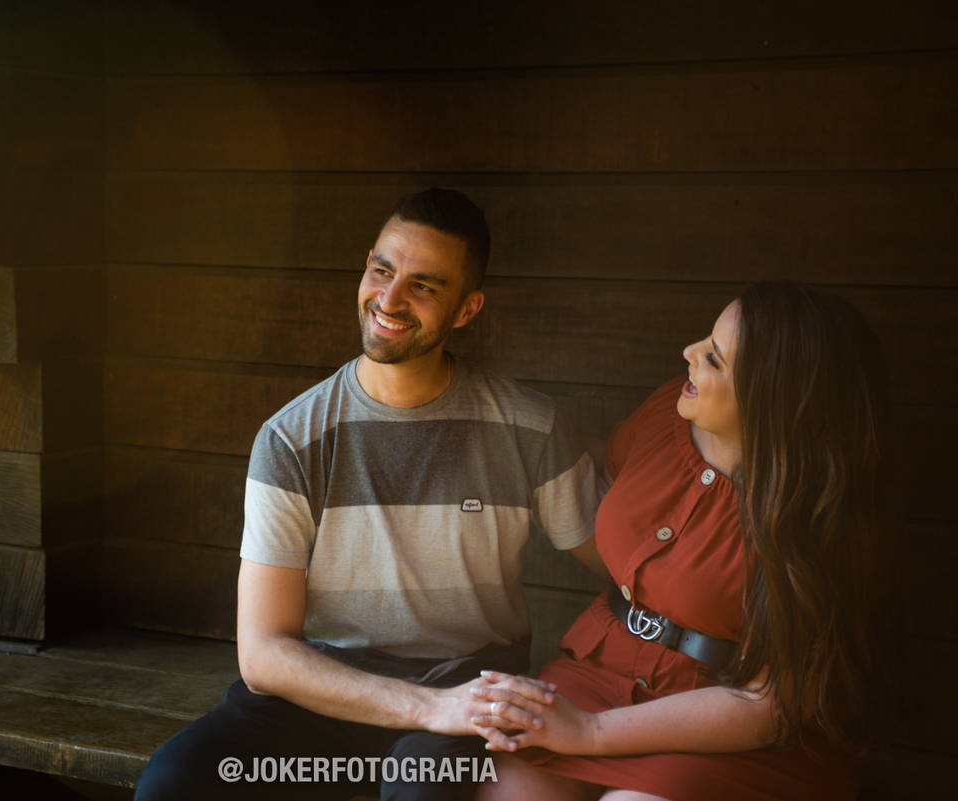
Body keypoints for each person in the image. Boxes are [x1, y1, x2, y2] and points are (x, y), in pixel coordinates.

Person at [133, 188, 605, 801]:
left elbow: (630, 569)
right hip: (323, 692)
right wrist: (424, 708)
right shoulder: (292, 439)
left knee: (418, 790)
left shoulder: (530, 429)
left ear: (467, 308)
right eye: (382, 270)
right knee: (173, 785)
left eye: (424, 286)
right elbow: (264, 654)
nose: (389, 299)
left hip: (465, 691)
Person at [466, 282, 901, 801]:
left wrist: (588, 732)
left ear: (773, 401)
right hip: (599, 673)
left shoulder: (822, 515)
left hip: (728, 721)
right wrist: (501, 436)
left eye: (714, 359)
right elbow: (595, 465)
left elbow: (765, 706)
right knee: (508, 790)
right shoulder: (665, 415)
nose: (689, 353)